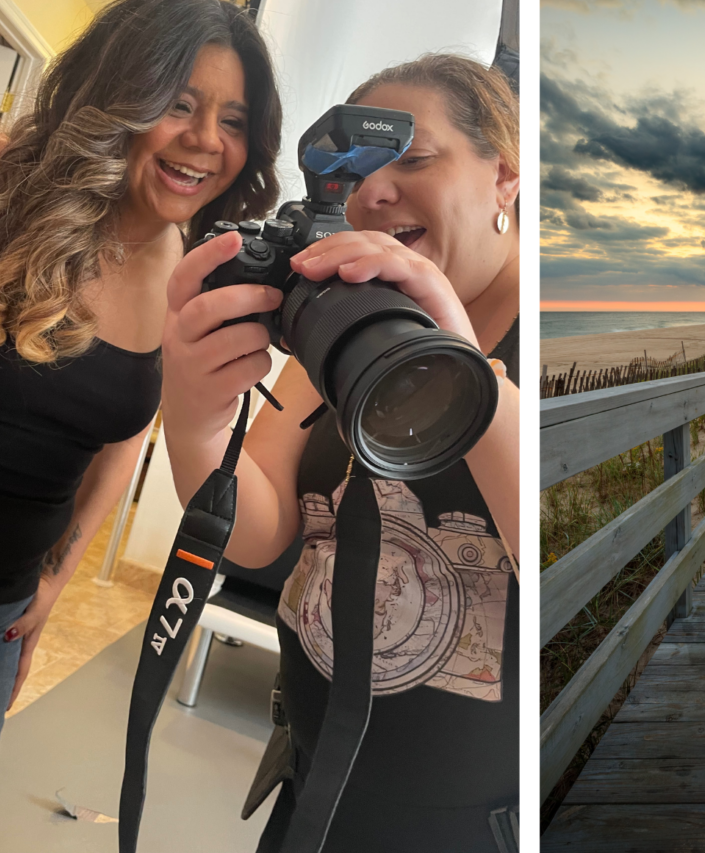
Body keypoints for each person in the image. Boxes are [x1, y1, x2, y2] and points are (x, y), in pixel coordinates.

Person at [0, 0, 280, 850]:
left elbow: (118, 436)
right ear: (120, 97)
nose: (205, 140)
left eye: (233, 118)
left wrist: (56, 582)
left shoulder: (186, 271)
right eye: (179, 103)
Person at [160, 53, 520, 852]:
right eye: (358, 178)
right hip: (313, 789)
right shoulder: (351, 314)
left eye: (414, 158)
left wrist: (463, 365)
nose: (376, 192)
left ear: (506, 176)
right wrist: (192, 421)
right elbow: (262, 529)